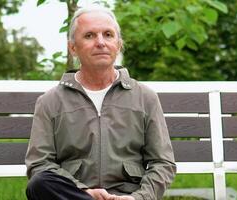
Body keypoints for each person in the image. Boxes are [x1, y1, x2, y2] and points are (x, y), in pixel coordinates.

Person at [25, 5, 176, 200]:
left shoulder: (145, 98)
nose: (100, 42)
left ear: (119, 44)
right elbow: (39, 165)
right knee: (40, 183)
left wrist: (138, 198)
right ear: (72, 47)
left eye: (108, 34)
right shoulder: (50, 102)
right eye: (89, 36)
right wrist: (83, 193)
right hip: (74, 196)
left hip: (128, 196)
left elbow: (163, 163)